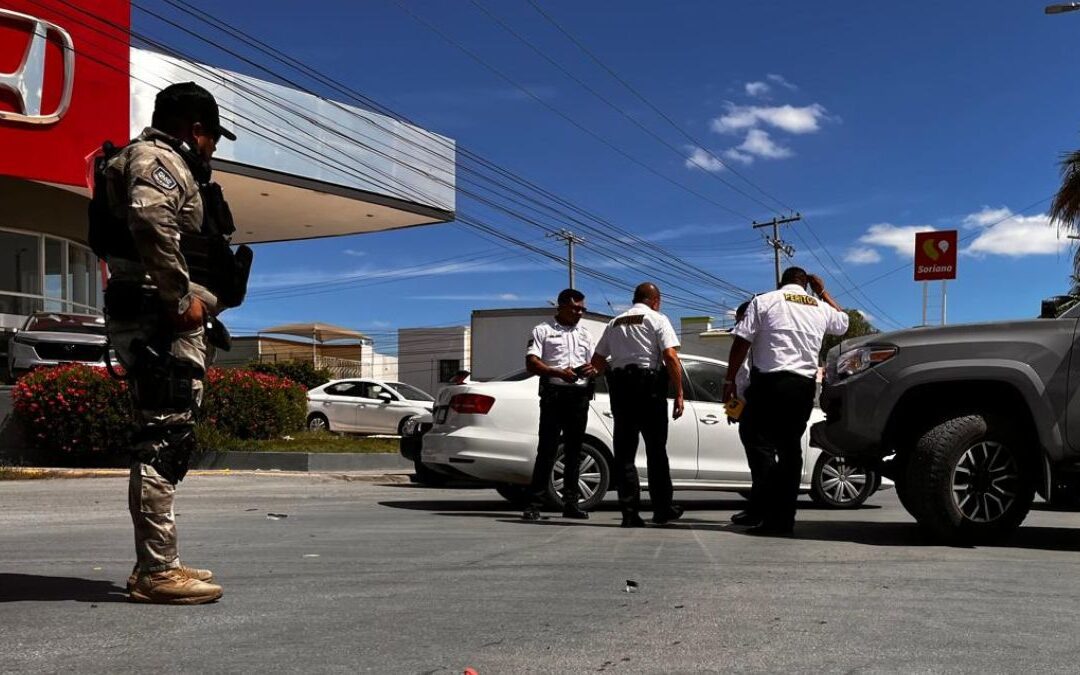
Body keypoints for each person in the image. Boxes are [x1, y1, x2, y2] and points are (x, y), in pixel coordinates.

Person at [100, 82, 241, 604]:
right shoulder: (156, 158)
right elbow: (148, 216)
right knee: (163, 438)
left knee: (168, 434)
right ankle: (157, 572)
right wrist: (180, 299)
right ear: (195, 129)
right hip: (160, 319)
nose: (211, 150)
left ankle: (159, 563)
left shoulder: (158, 161)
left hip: (161, 317)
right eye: (211, 139)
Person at [722, 267, 849, 536]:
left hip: (769, 384)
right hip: (803, 387)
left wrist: (729, 380)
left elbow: (741, 342)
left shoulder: (765, 301)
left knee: (760, 448)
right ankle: (783, 520)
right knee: (791, 452)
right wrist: (823, 291)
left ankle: (767, 514)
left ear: (781, 282)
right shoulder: (818, 306)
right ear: (806, 285)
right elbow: (843, 322)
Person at [590, 282, 685, 528]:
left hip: (621, 391)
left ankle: (629, 513)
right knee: (656, 452)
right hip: (649, 390)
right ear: (655, 300)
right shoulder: (657, 319)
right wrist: (680, 392)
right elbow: (670, 356)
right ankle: (662, 509)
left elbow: (598, 360)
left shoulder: (614, 323)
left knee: (624, 453)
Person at [521, 288, 598, 521]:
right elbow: (532, 363)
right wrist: (556, 372)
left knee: (574, 451)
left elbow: (595, 363)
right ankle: (535, 503)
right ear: (562, 306)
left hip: (579, 397)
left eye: (582, 309)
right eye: (575, 308)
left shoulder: (585, 334)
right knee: (547, 449)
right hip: (554, 395)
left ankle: (571, 503)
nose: (580, 312)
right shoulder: (542, 330)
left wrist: (592, 369)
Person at [726, 300, 763, 527]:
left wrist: (736, 406)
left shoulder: (750, 343)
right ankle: (758, 508)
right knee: (758, 461)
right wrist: (734, 408)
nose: (738, 324)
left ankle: (758, 510)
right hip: (750, 406)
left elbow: (743, 380)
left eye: (740, 319)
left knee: (759, 461)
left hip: (754, 406)